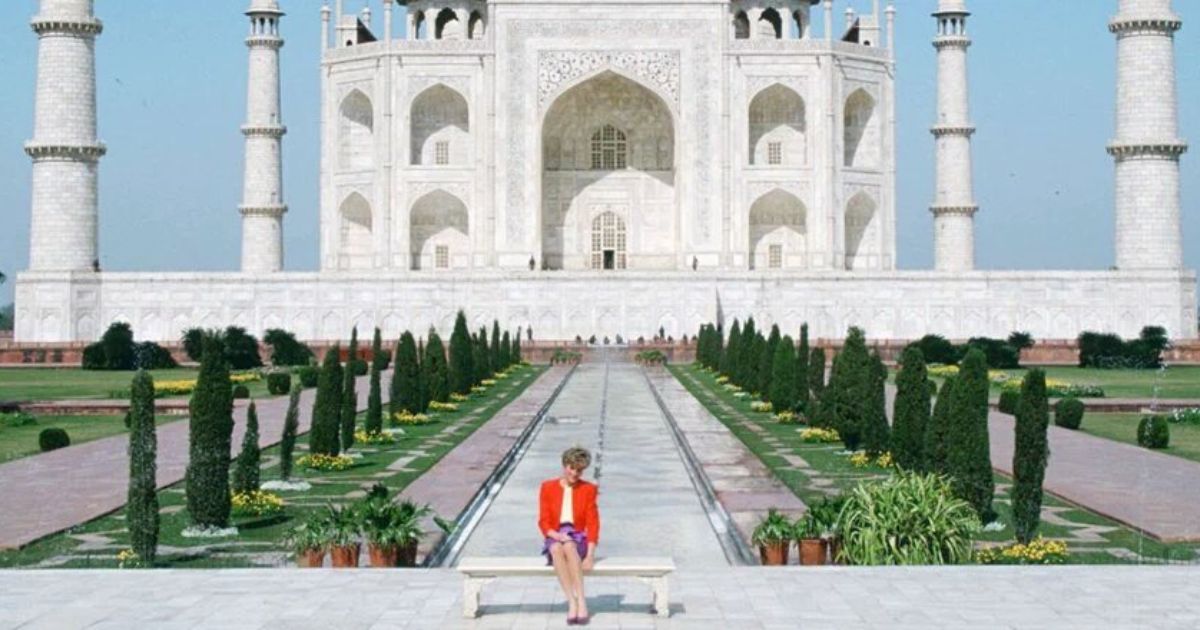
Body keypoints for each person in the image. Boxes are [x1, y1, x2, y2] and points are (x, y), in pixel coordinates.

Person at [539, 446, 600, 625]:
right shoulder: (547, 487)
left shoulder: (588, 489)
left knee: (569, 545)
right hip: (555, 534)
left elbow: (593, 524)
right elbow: (543, 521)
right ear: (565, 466)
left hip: (577, 536)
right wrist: (556, 535)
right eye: (572, 468)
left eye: (579, 470)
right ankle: (571, 601)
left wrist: (589, 556)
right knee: (557, 547)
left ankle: (581, 600)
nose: (575, 473)